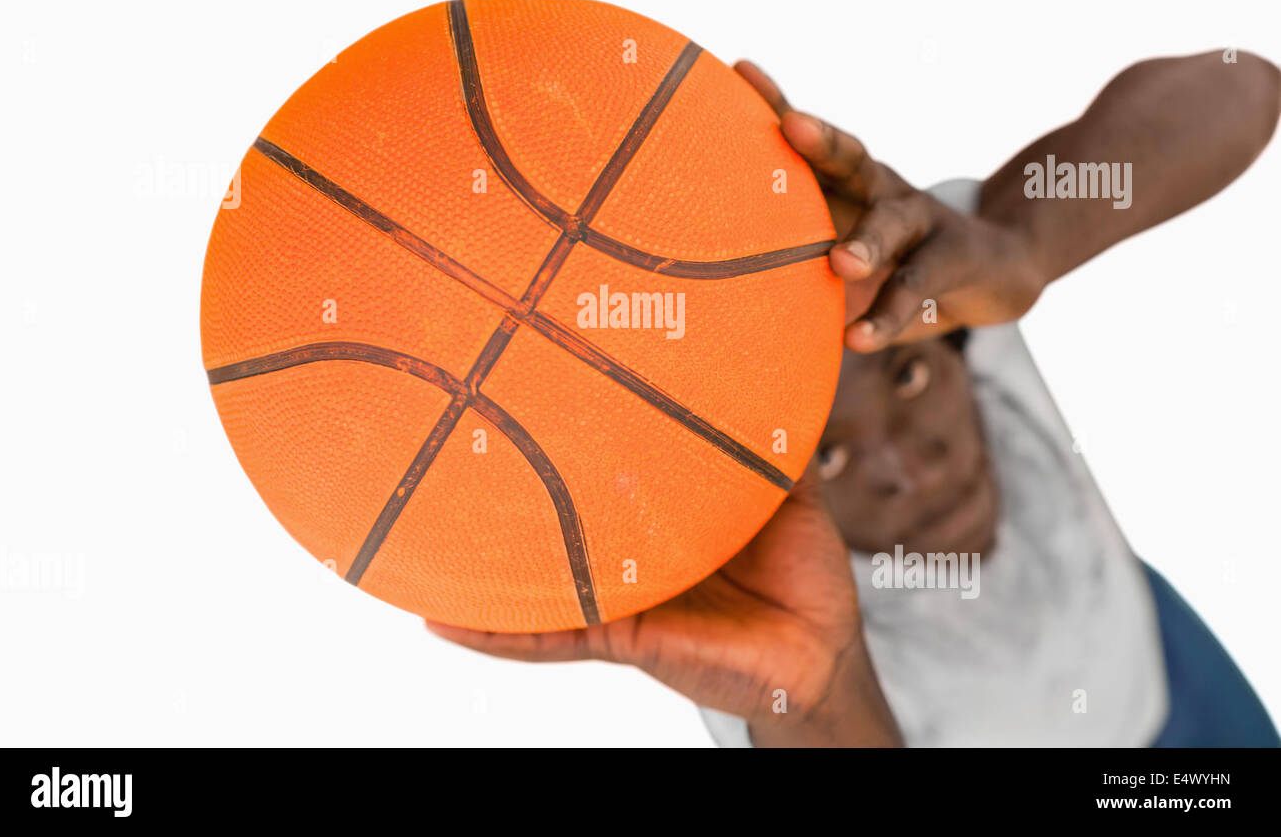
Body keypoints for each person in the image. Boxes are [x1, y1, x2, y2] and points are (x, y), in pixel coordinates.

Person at [428, 49, 1281, 747]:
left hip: (1162, 657)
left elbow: (1241, 85)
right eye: (825, 455)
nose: (905, 467)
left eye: (907, 378)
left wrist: (1022, 238)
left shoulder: (920, 285)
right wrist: (820, 692)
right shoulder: (750, 602)